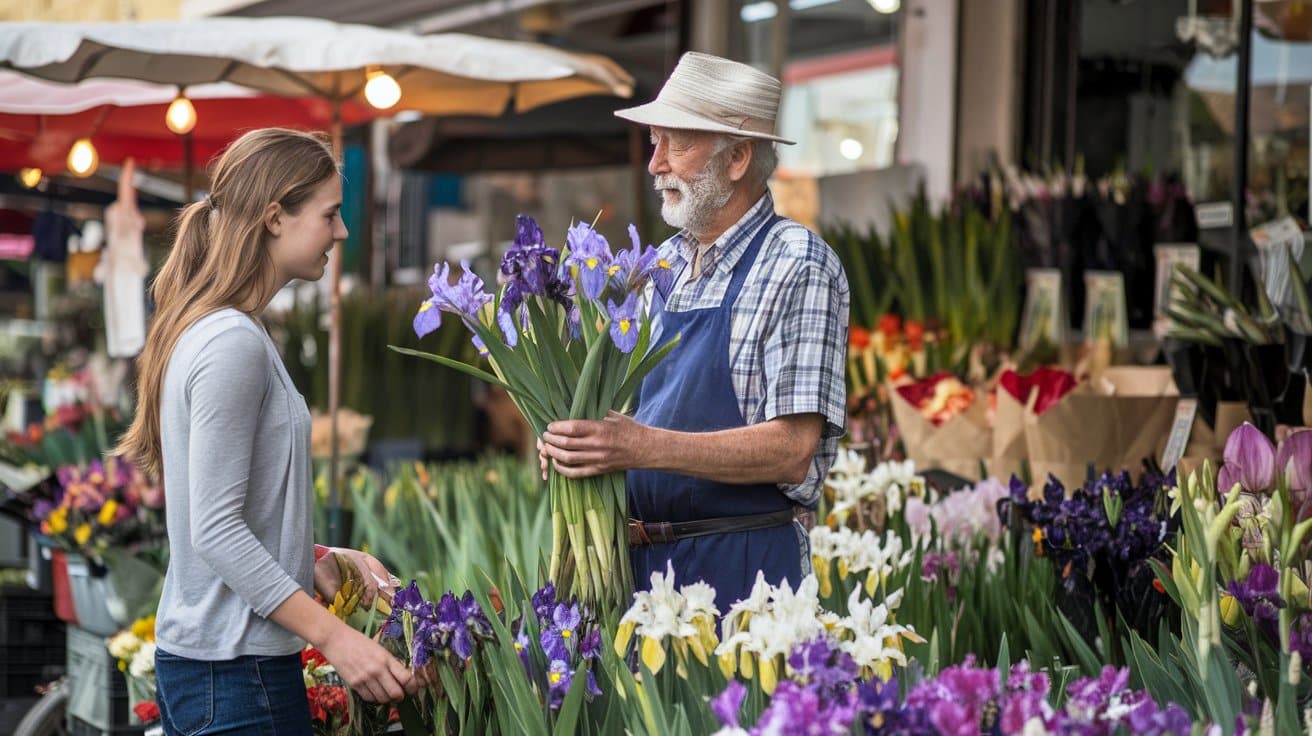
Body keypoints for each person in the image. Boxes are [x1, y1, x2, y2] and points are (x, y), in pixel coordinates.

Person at [115, 128, 416, 735]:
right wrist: (340, 642)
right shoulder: (232, 342)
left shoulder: (223, 330)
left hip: (216, 669)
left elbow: (220, 511)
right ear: (275, 217)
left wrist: (310, 557)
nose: (342, 232)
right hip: (236, 675)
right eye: (330, 214)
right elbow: (217, 531)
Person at [538, 53, 850, 610]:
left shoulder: (799, 264)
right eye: (654, 142)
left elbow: (792, 449)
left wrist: (639, 445)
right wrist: (579, 443)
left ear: (737, 158)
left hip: (748, 579)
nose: (654, 164)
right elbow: (626, 418)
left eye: (674, 143)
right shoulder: (660, 265)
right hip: (639, 577)